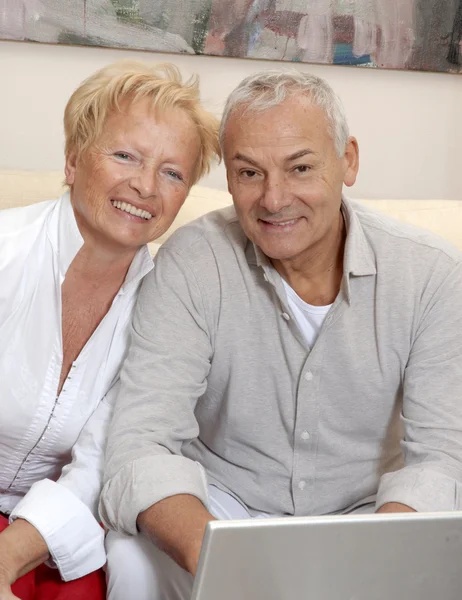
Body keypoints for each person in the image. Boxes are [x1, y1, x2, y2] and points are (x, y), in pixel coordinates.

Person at [100, 69, 462, 600]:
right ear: (228, 179)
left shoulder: (432, 276)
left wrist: (379, 560)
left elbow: (441, 456)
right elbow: (141, 442)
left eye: (300, 168)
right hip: (221, 510)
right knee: (132, 563)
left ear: (349, 161)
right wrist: (235, 566)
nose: (274, 199)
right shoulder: (192, 262)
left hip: (368, 515)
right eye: (249, 173)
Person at [0, 59, 219, 600]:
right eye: (125, 155)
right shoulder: (6, 253)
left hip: (47, 530)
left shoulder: (171, 308)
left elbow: (105, 460)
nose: (145, 186)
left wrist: (6, 557)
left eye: (172, 172)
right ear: (74, 161)